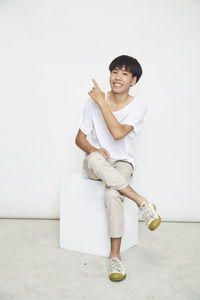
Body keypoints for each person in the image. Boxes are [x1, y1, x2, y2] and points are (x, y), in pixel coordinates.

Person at [75, 55, 161, 282]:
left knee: (113, 194)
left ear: (133, 80)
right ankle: (141, 201)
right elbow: (79, 139)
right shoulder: (91, 103)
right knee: (93, 158)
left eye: (124, 73)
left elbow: (117, 133)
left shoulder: (138, 107)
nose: (117, 77)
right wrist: (94, 148)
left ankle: (115, 257)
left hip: (123, 162)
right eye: (114, 71)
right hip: (98, 162)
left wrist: (102, 102)